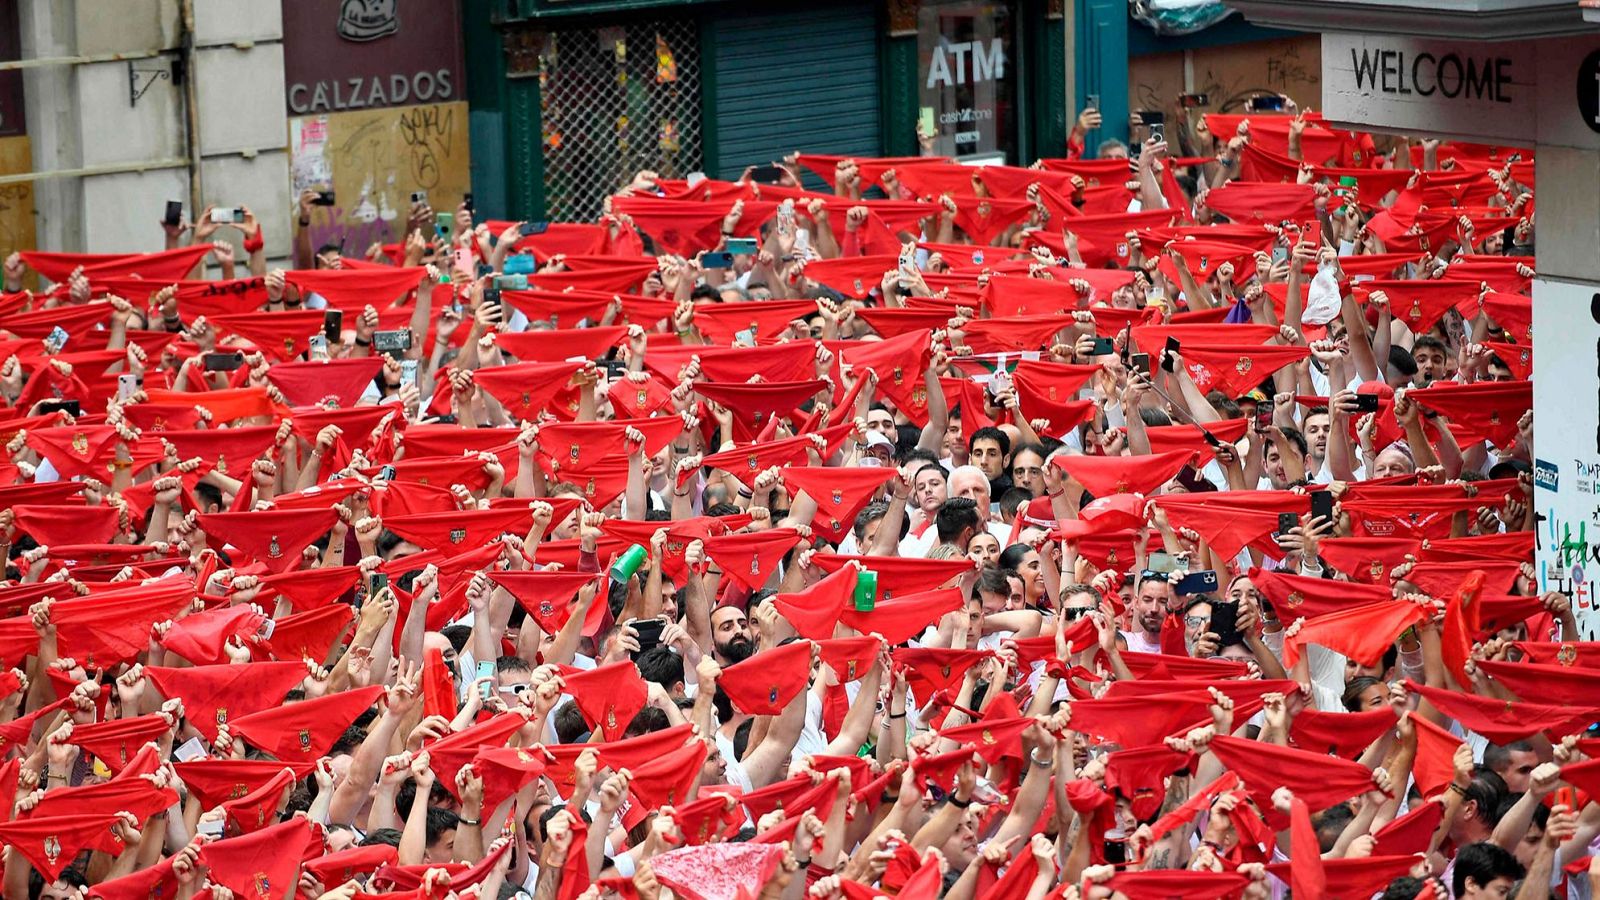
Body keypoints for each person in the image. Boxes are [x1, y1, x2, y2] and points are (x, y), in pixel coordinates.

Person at [0, 98, 1574, 900]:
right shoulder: (607, 740)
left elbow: (893, 721)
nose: (752, 609)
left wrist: (884, 647)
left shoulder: (777, 696)